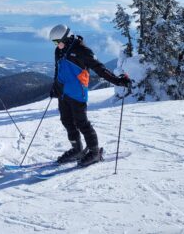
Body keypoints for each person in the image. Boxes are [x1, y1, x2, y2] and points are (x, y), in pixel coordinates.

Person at [48, 24, 131, 167]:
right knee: (66, 121)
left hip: (77, 93)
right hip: (63, 93)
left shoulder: (82, 51)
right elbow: (58, 69)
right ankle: (77, 149)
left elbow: (100, 69)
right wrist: (55, 86)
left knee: (82, 123)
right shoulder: (59, 51)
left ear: (66, 38)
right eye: (54, 42)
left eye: (57, 42)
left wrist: (118, 81)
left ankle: (94, 152)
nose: (56, 45)